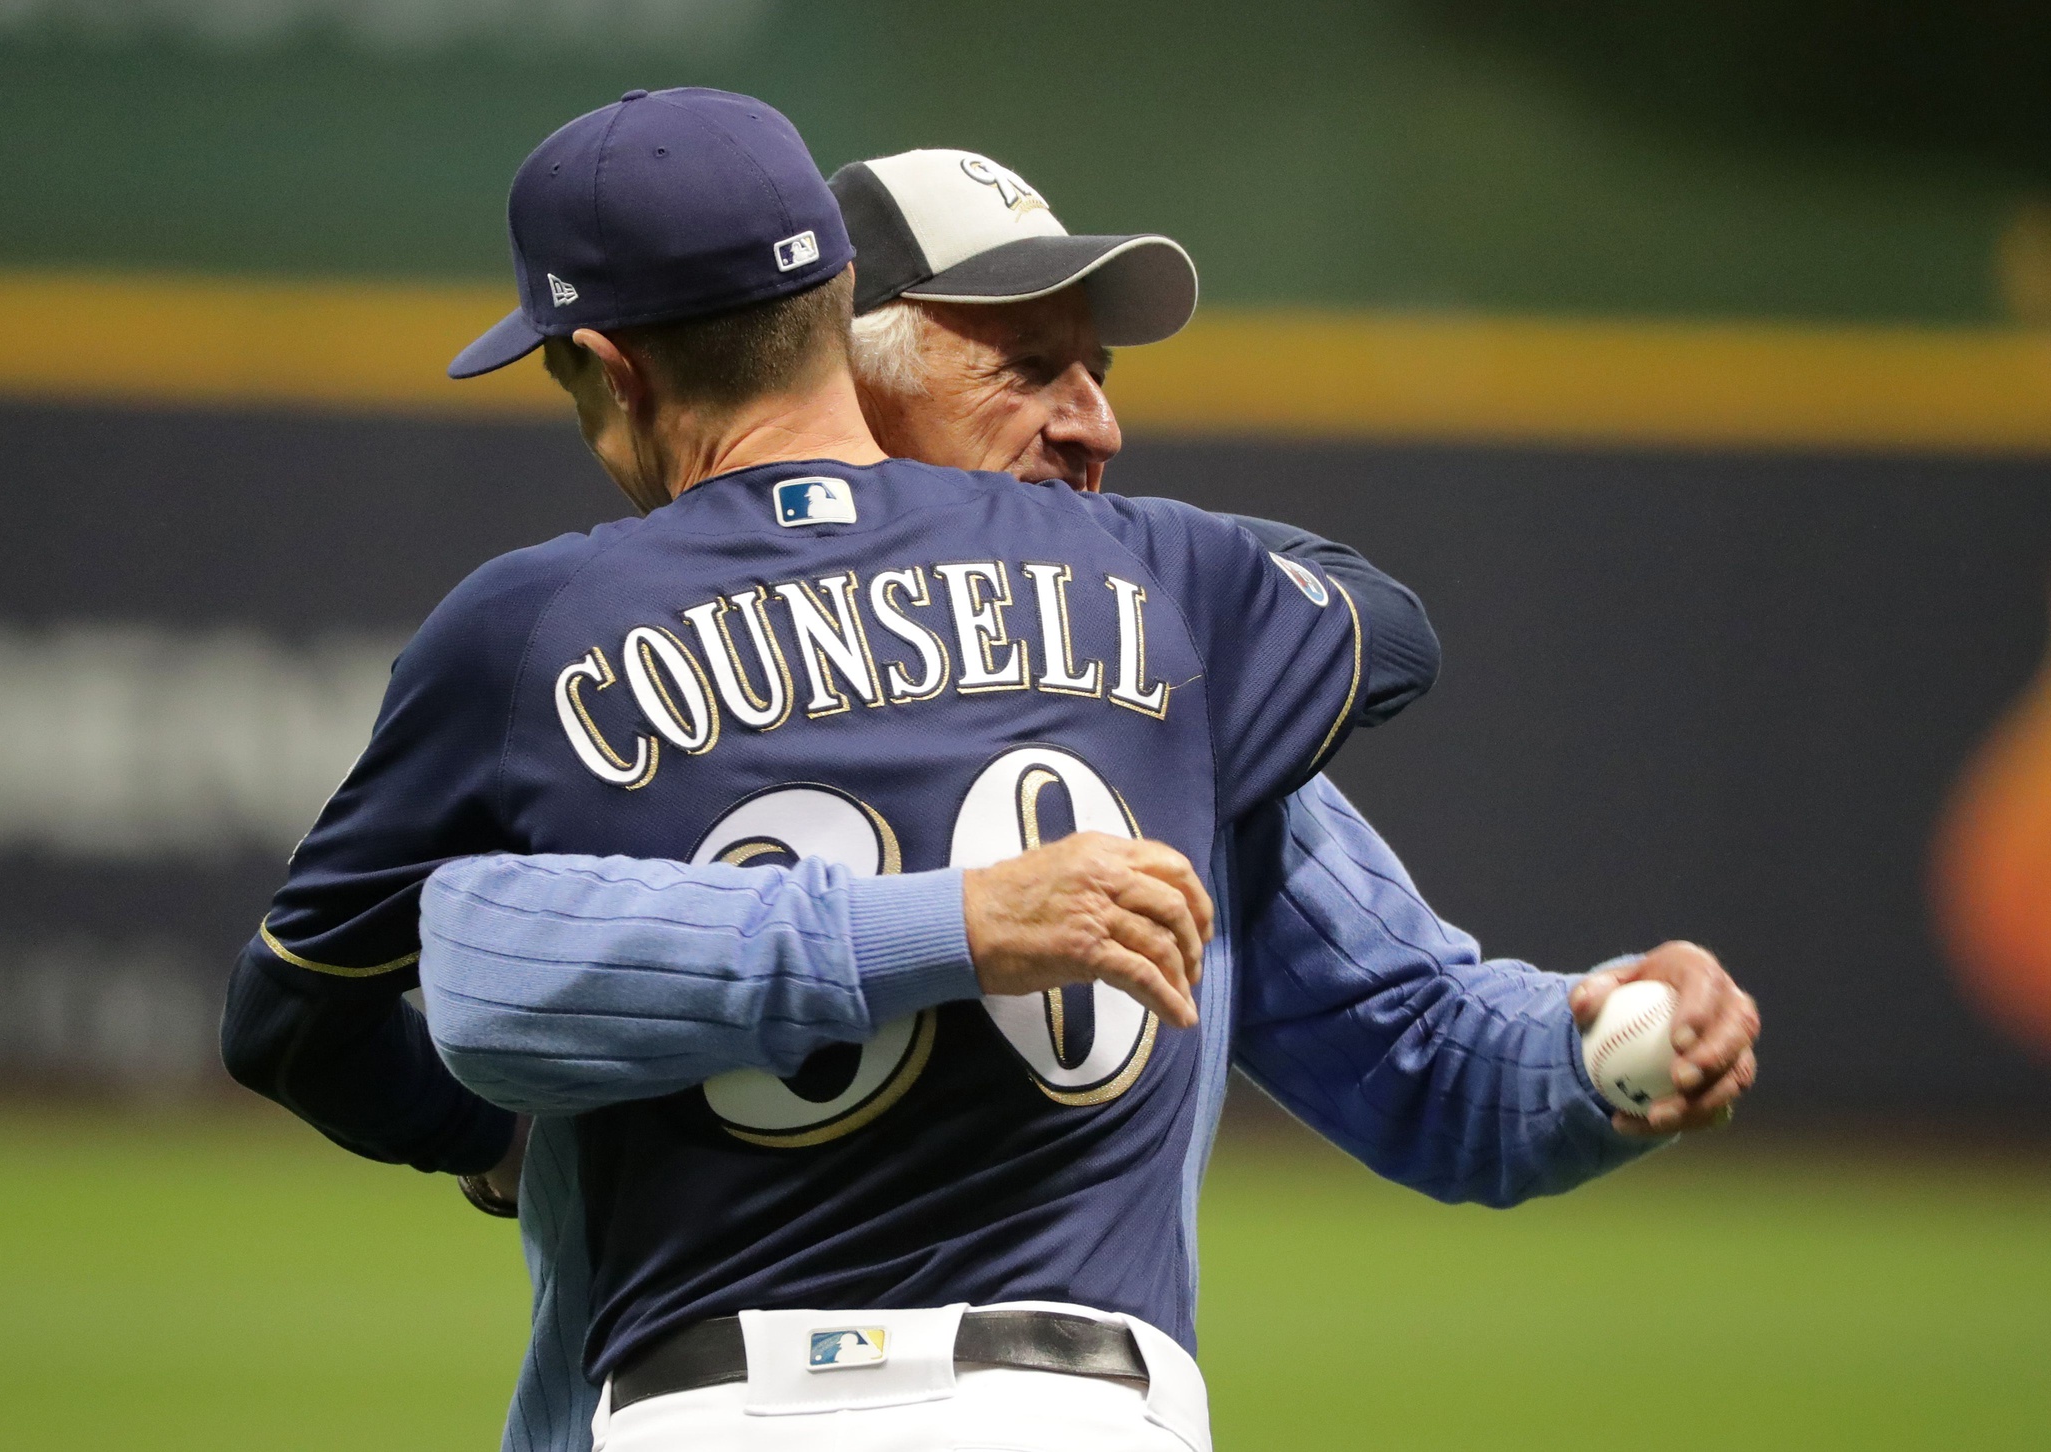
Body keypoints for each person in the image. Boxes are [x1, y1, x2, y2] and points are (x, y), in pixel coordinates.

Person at [405, 145, 1761, 1450]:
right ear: (835, 382)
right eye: (1029, 369)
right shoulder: (637, 682)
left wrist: (1602, 1048)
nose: (1095, 421)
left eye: (1096, 372)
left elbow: (1425, 1047)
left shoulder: (1136, 690)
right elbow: (443, 982)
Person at [224, 88, 1434, 1452]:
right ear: (837, 311)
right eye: (1030, 370)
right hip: (1086, 1401)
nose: (1085, 421)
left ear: (612, 369)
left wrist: (487, 1137)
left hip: (702, 1395)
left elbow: (291, 1018)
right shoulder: (1138, 578)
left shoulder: (527, 628)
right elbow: (1384, 627)